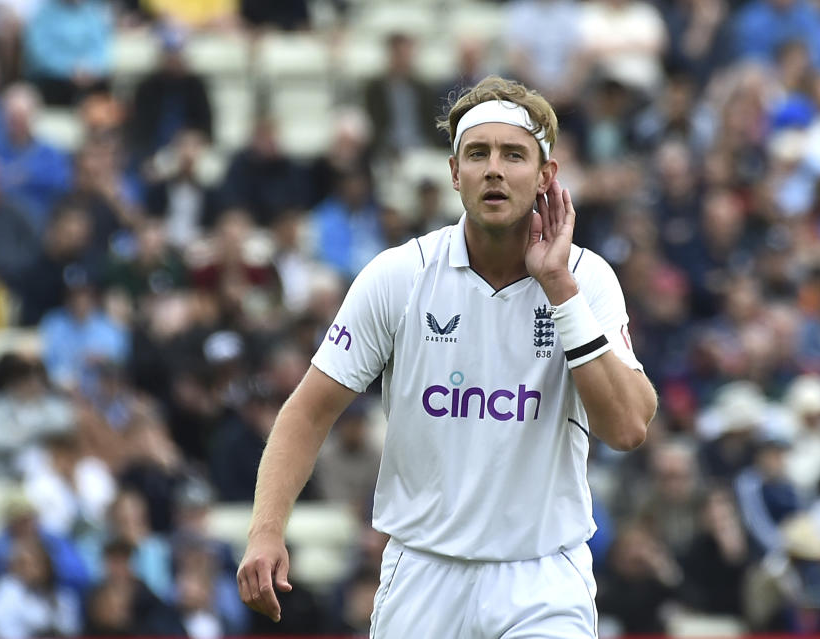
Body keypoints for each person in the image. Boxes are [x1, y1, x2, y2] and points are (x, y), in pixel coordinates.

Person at [236, 75, 658, 637]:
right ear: (455, 172)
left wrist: (557, 286)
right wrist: (266, 530)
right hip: (423, 574)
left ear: (545, 176)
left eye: (514, 155)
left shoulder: (585, 279)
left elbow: (628, 426)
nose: (494, 170)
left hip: (542, 577)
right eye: (477, 153)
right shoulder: (399, 276)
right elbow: (307, 412)